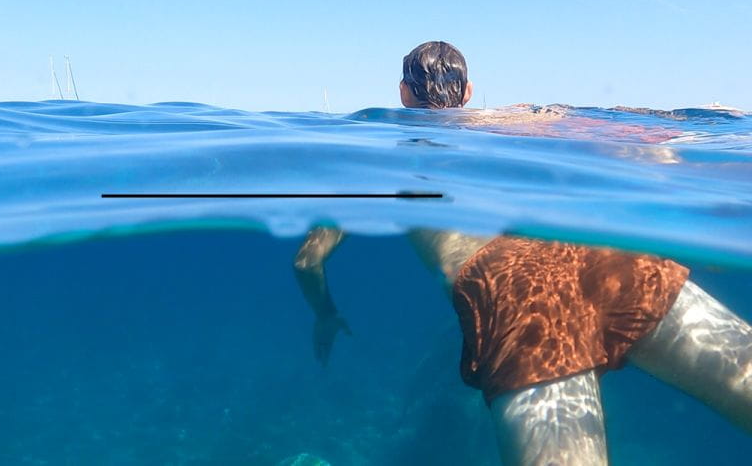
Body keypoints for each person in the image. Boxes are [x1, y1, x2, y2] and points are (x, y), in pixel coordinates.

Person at [293, 41, 752, 465]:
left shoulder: (372, 157)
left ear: (402, 92)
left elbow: (307, 260)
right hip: (606, 258)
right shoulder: (517, 119)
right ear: (469, 91)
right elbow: (638, 141)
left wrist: (325, 314)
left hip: (518, 296)